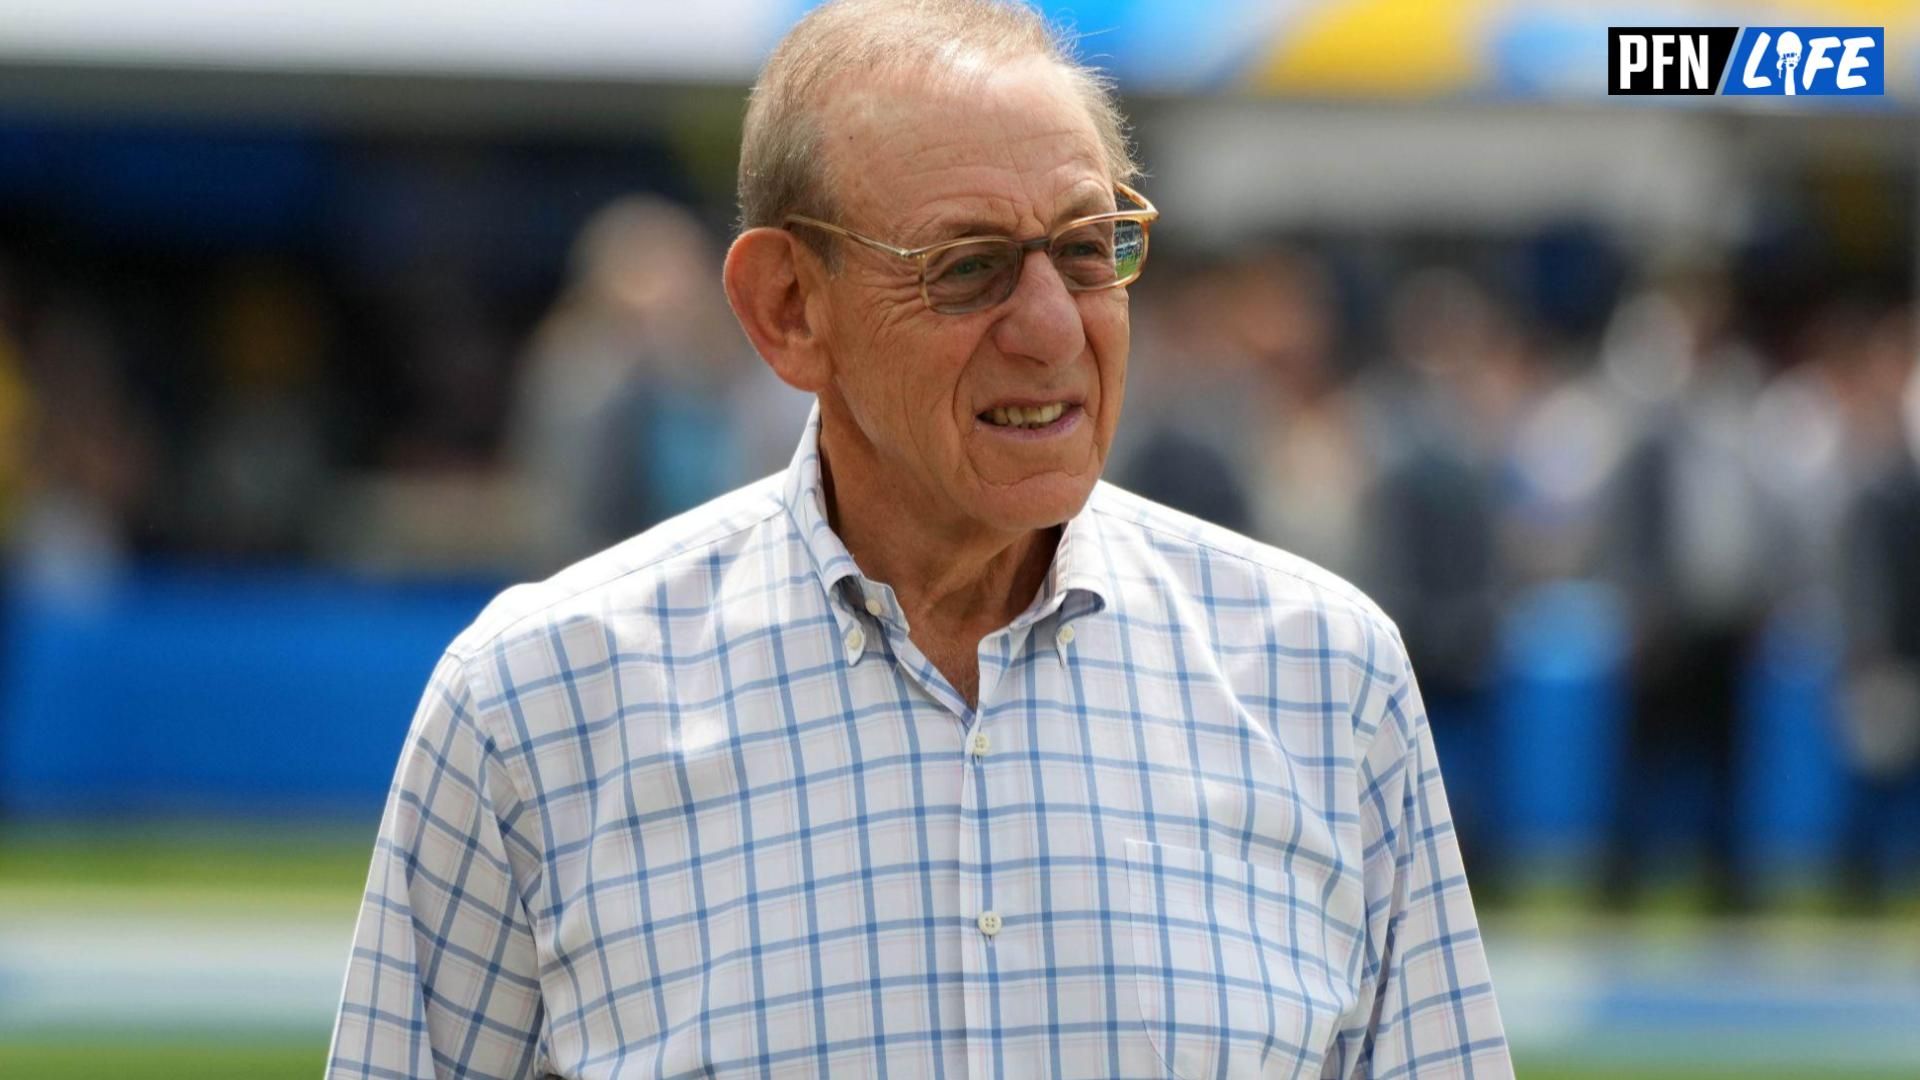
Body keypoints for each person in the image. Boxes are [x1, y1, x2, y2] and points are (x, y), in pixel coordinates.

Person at [327, 1, 1509, 1076]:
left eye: (1091, 248)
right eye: (971, 268)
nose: (1053, 330)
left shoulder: (1327, 674)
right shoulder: (534, 703)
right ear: (789, 310)